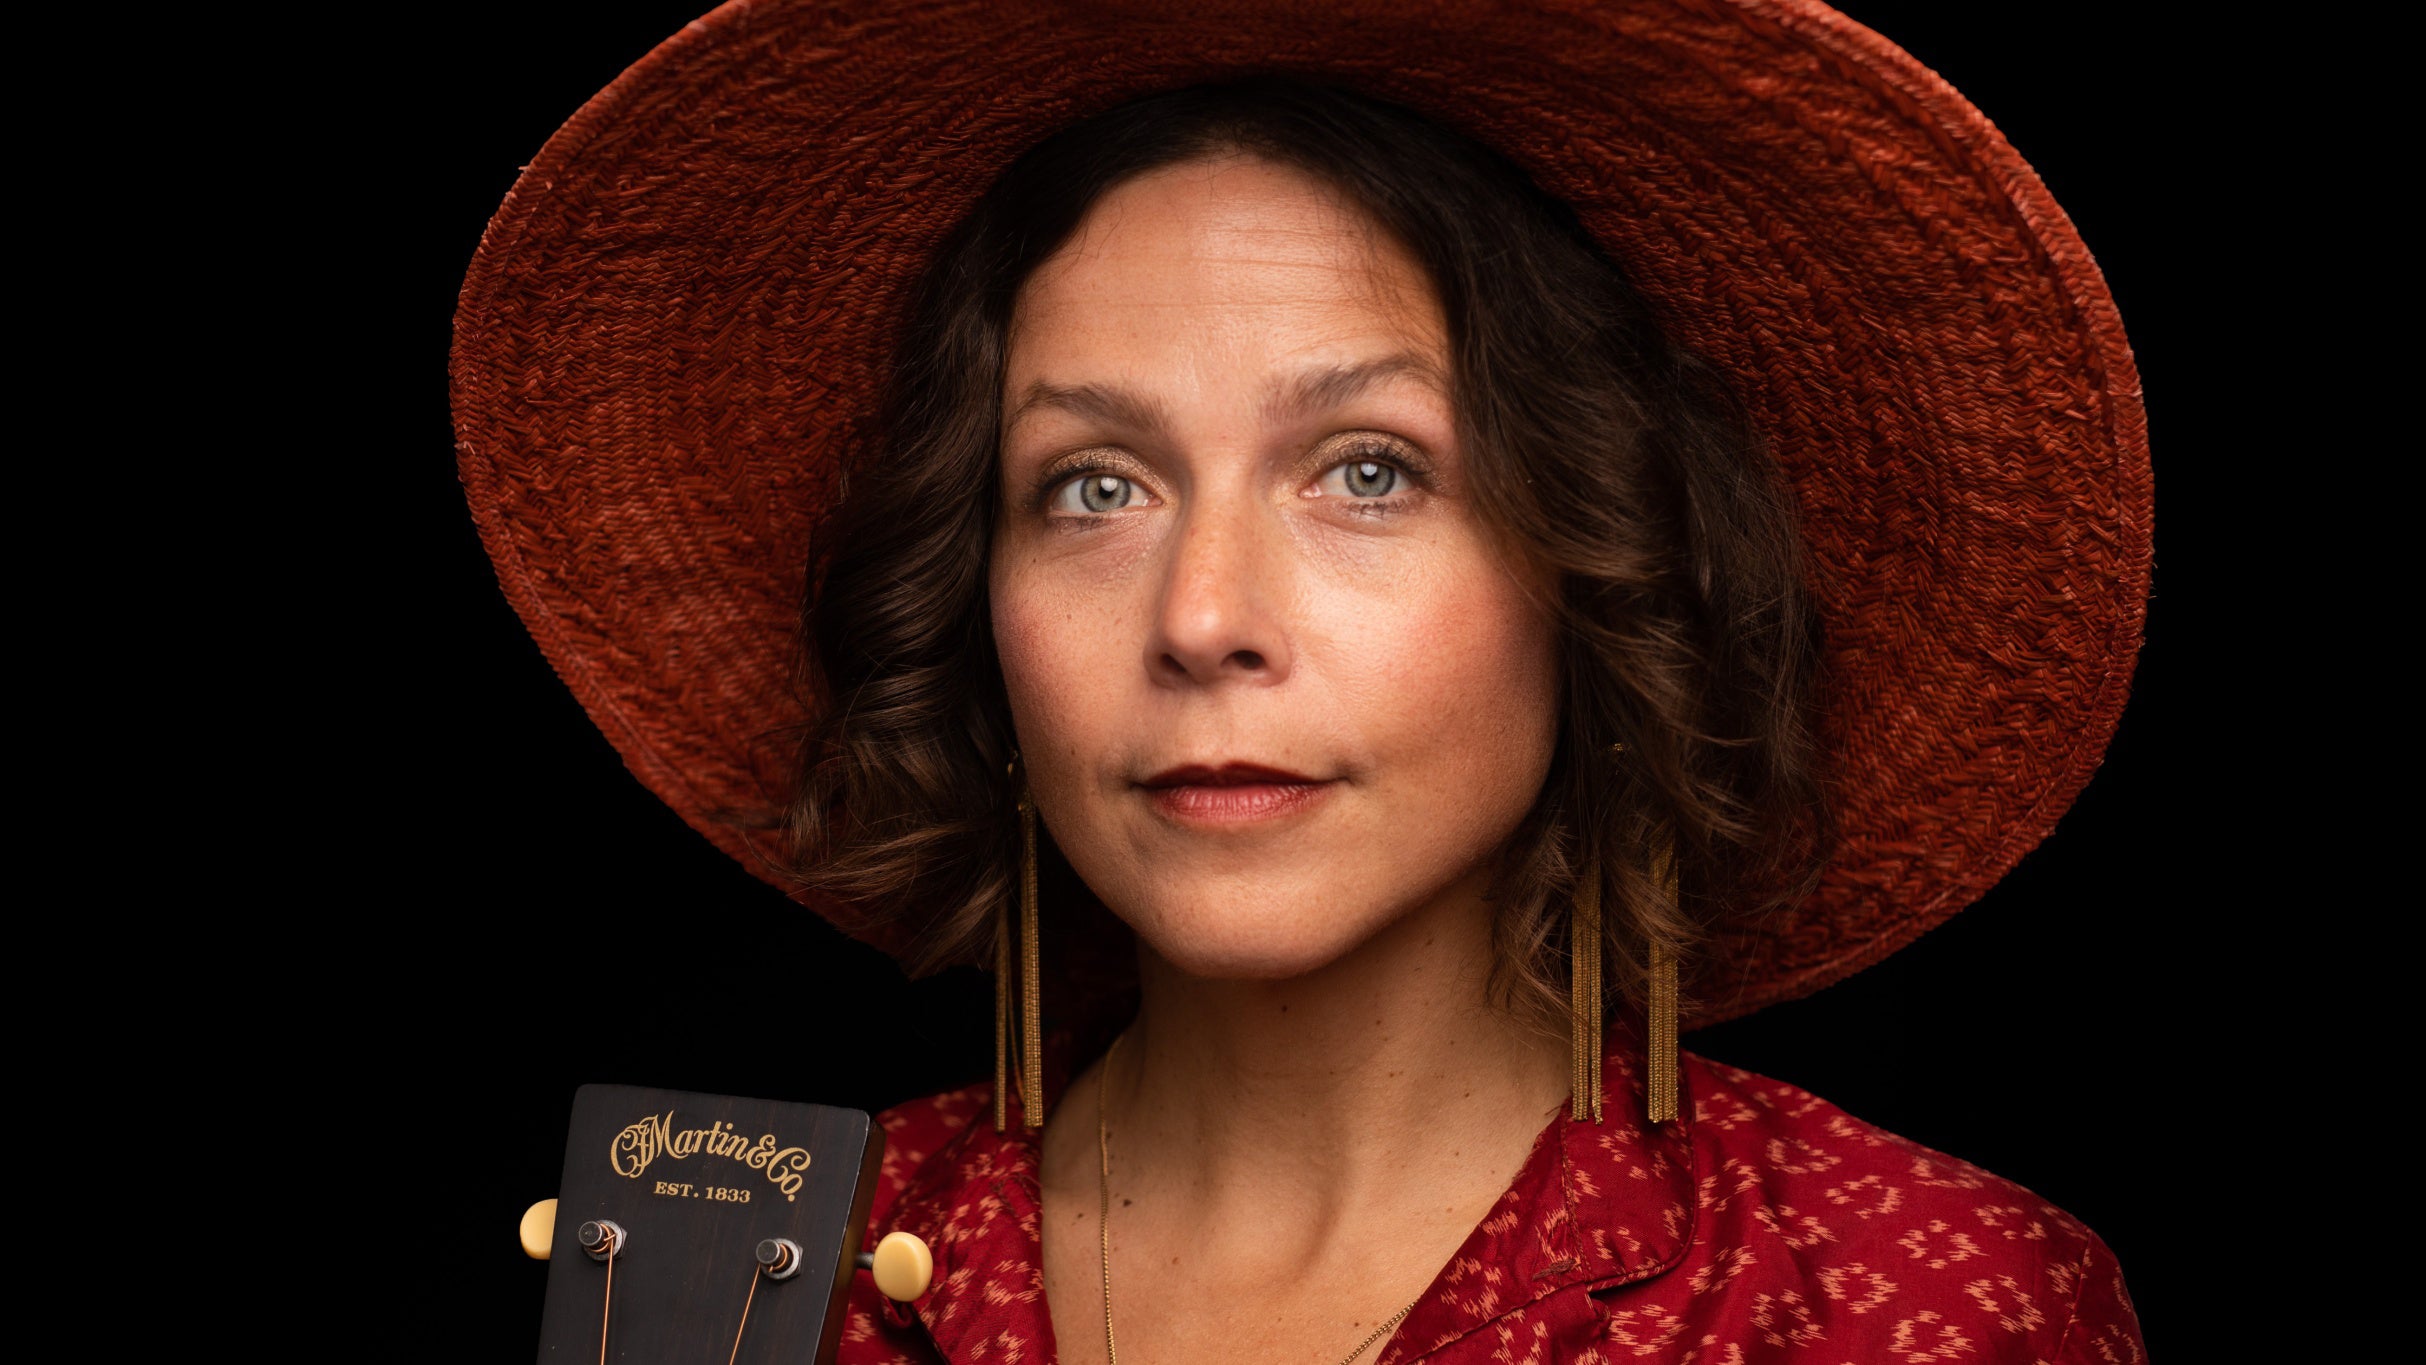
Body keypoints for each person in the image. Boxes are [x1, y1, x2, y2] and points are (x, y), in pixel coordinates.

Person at [452, 4, 2150, 1361]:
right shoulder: (769, 1276)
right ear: (971, 600)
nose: (1202, 616)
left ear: (1600, 560)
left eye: (1367, 470)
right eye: (1092, 486)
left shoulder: (1916, 1304)